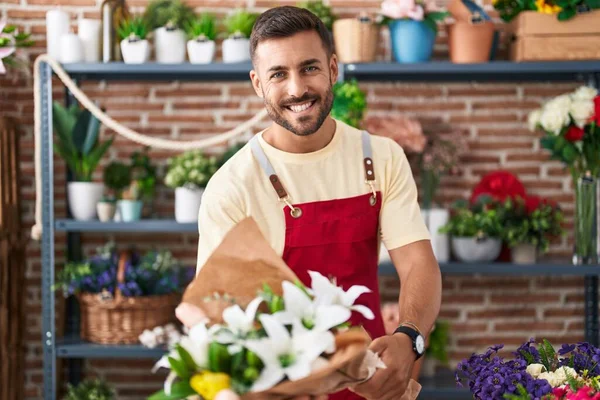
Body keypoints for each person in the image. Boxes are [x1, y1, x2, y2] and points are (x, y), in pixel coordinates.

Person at [194, 5, 442, 400]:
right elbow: (220, 319)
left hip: (373, 383)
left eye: (309, 68)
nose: (296, 89)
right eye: (278, 74)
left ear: (333, 68)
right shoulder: (232, 187)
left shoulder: (380, 157)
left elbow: (417, 263)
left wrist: (410, 337)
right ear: (258, 84)